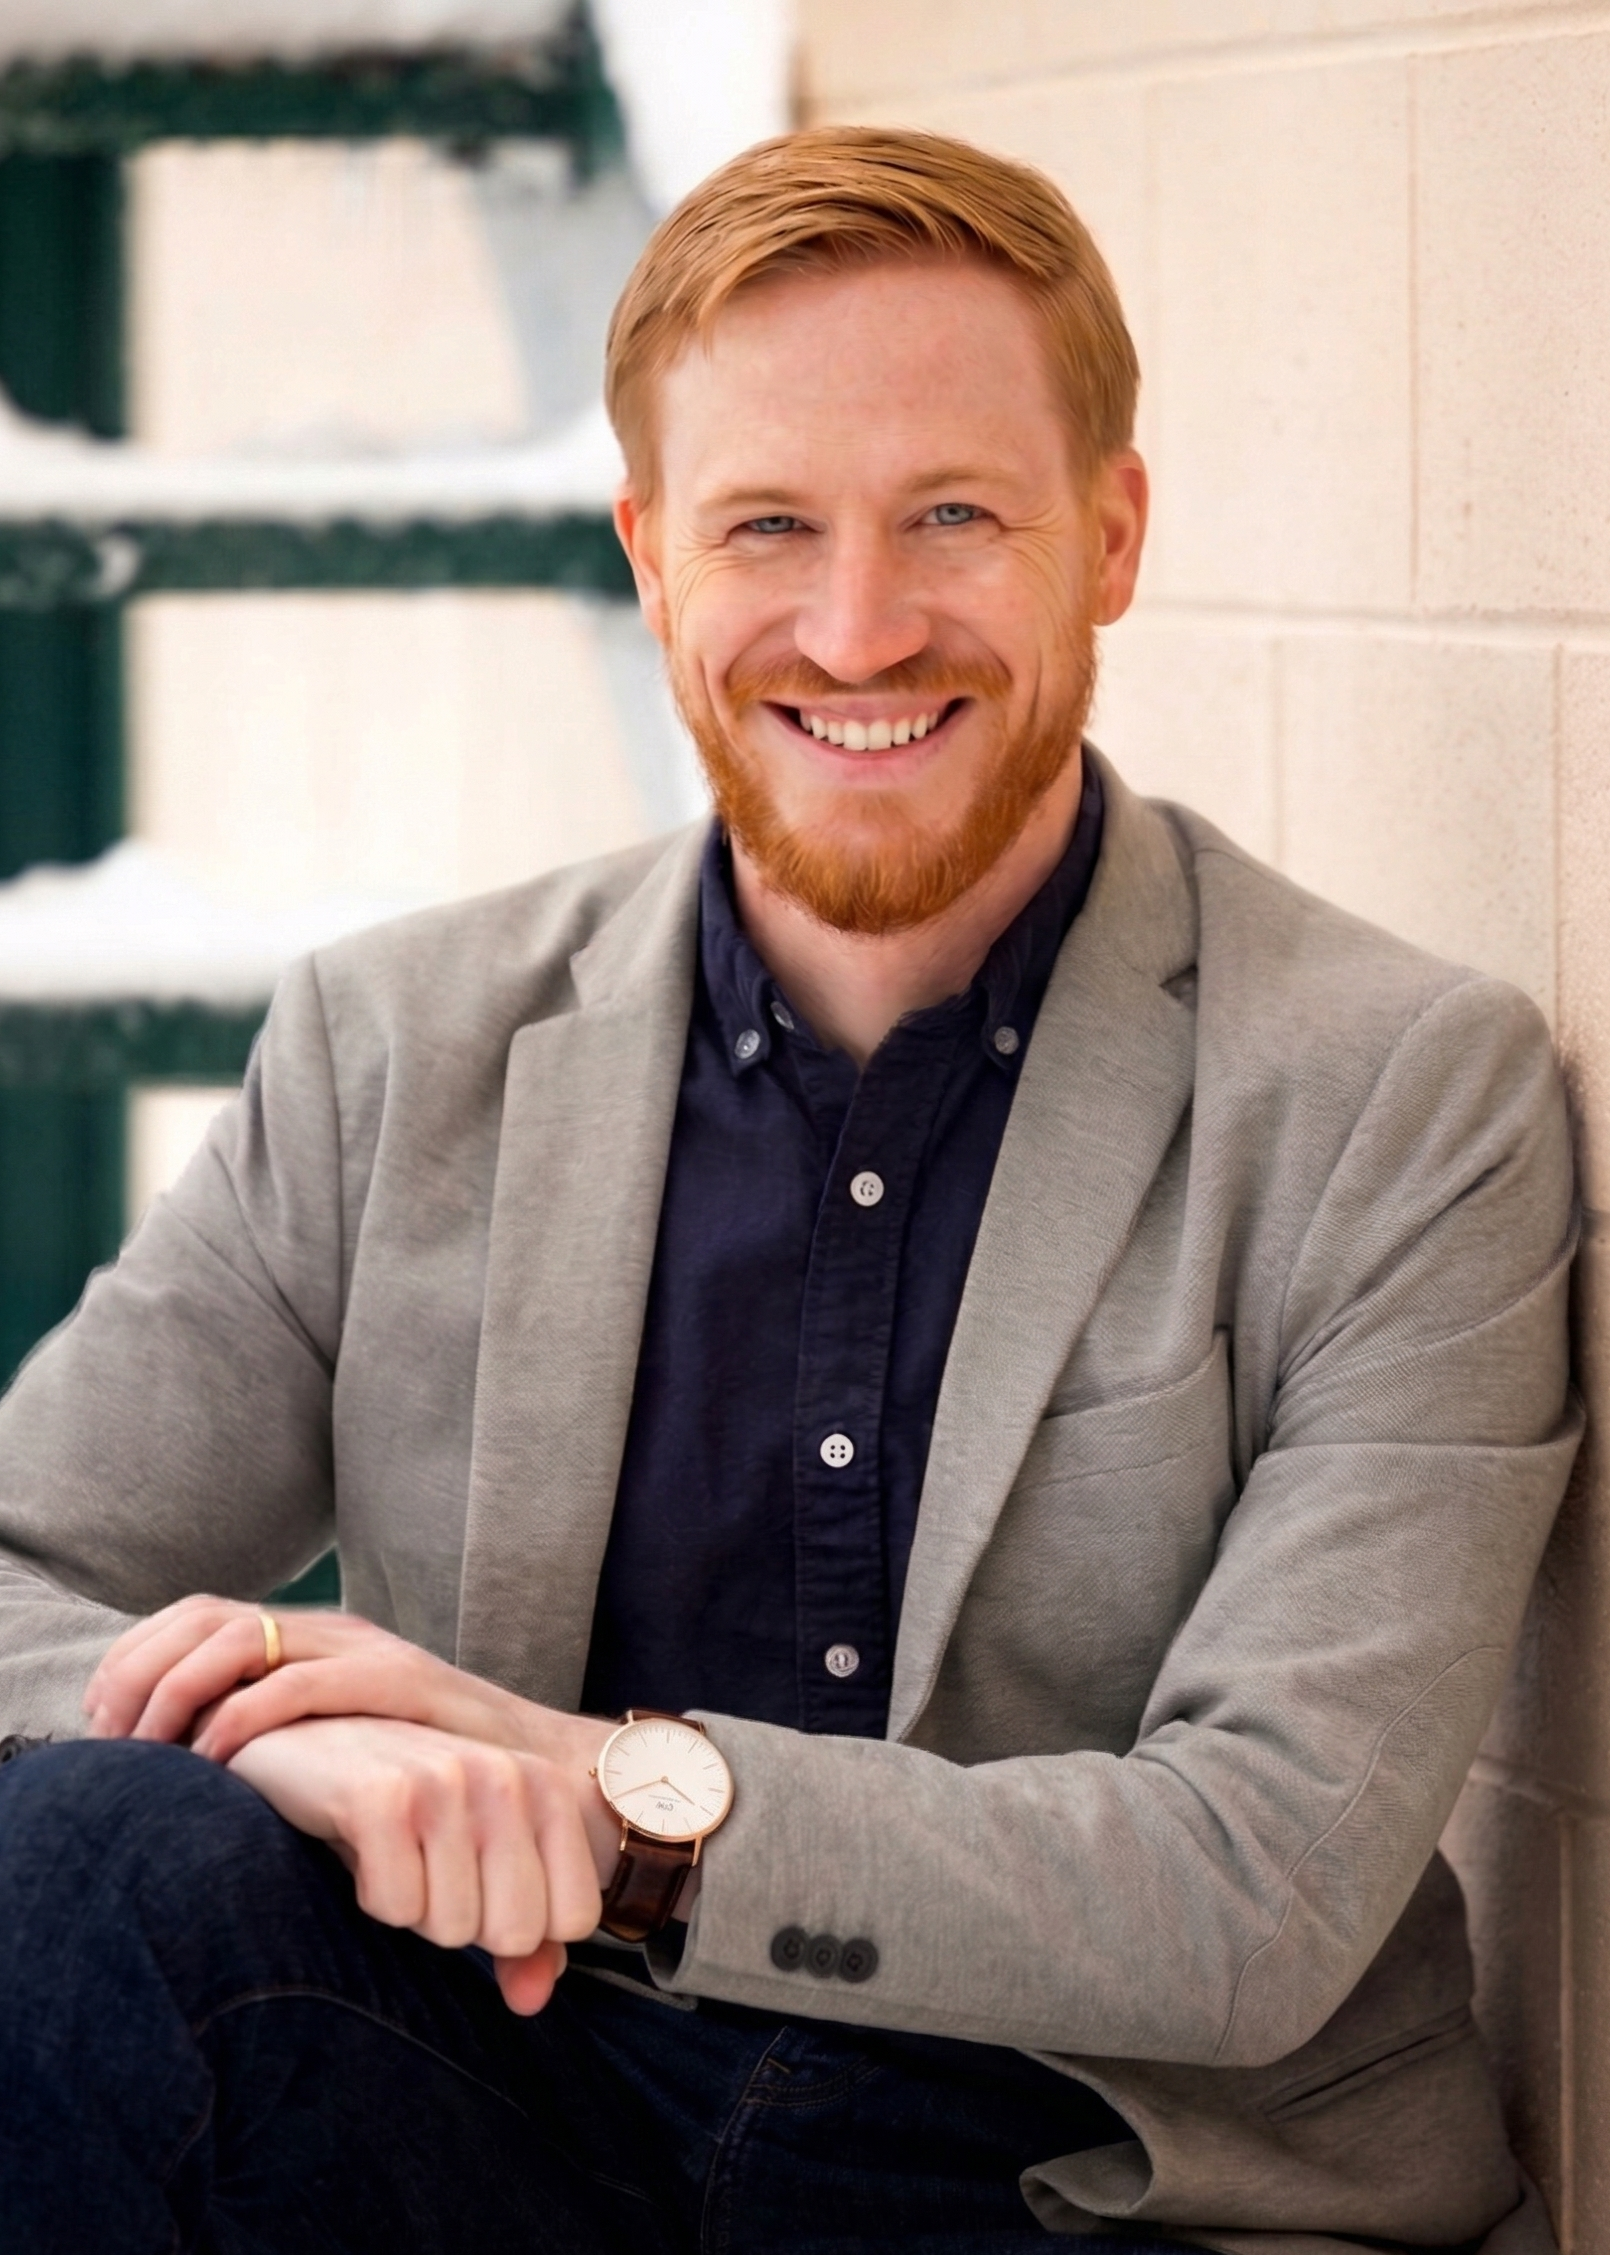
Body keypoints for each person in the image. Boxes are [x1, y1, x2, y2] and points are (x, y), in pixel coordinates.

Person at [0, 127, 1580, 2255]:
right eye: (767, 525)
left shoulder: (1399, 1093)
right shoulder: (397, 1049)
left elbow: (1258, 1880)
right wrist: (277, 1741)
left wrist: (606, 1801)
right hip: (524, 2118)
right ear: (651, 558)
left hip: (1095, 2185)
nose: (857, 630)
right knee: (93, 1864)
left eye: (953, 515)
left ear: (1109, 536)